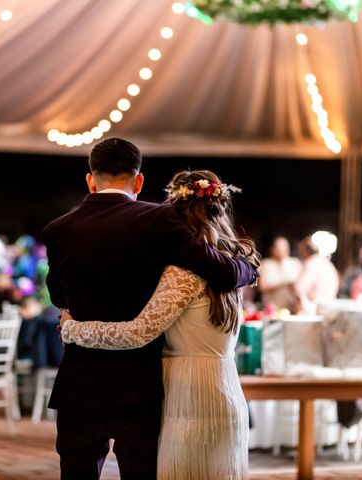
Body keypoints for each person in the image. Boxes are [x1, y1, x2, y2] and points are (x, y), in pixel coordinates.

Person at [42, 138, 258, 480]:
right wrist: (250, 268)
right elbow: (223, 271)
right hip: (138, 384)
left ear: (90, 179)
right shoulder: (159, 219)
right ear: (139, 181)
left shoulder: (57, 230)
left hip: (79, 381)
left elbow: (57, 296)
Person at [295, 236, 339, 313]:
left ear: (305, 252)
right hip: (330, 308)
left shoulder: (311, 264)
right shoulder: (327, 263)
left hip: (314, 310)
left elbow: (299, 289)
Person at [258, 236, 302, 310]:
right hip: (271, 307)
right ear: (272, 249)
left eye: (283, 249)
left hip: (292, 306)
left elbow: (301, 286)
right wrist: (284, 282)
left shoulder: (295, 263)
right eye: (278, 249)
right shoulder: (266, 264)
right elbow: (262, 287)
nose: (281, 252)